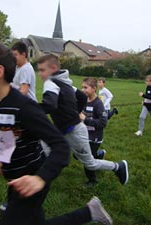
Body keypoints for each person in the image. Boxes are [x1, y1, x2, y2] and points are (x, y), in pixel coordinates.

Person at [0, 43, 113, 225]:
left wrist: (40, 179)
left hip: (32, 179)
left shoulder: (24, 107)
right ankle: (90, 212)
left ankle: (89, 212)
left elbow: (60, 147)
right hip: (15, 180)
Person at [37, 54, 129, 186]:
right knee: (43, 149)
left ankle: (118, 167)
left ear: (53, 68)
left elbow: (50, 105)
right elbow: (82, 97)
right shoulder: (66, 83)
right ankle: (40, 178)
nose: (40, 74)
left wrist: (29, 110)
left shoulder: (50, 82)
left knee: (90, 163)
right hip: (62, 129)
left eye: (42, 70)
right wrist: (75, 112)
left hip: (74, 131)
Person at [81, 77, 109, 186]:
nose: (83, 90)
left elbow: (103, 123)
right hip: (85, 135)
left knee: (87, 160)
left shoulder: (98, 104)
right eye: (82, 87)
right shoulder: (84, 100)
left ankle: (92, 180)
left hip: (95, 137)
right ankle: (99, 154)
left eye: (85, 87)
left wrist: (85, 119)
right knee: (78, 154)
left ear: (94, 88)